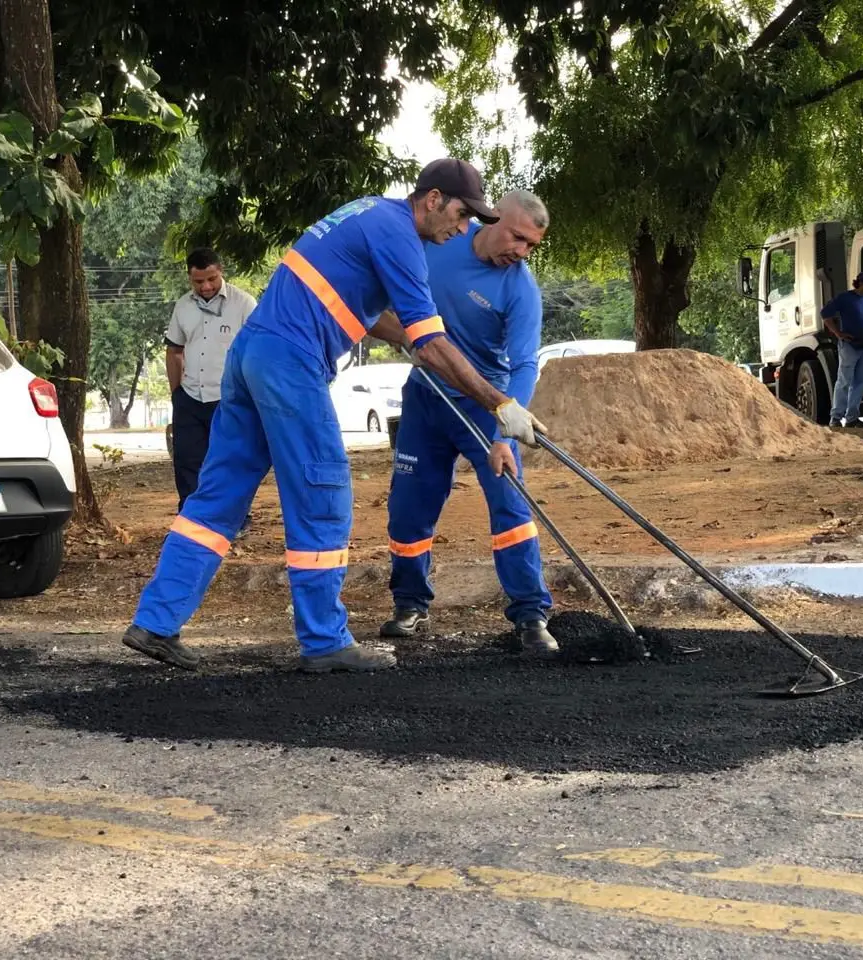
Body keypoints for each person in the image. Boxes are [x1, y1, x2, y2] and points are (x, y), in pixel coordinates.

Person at [121, 158, 546, 674]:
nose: (463, 228)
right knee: (323, 494)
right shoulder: (400, 237)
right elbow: (430, 343)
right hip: (290, 363)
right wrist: (500, 403)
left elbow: (376, 319)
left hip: (252, 354)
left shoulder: (367, 212)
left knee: (217, 496)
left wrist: (421, 343)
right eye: (460, 215)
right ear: (432, 199)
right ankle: (324, 642)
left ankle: (156, 622)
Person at [381, 190, 556, 657]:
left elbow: (522, 366)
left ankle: (530, 613)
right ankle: (410, 603)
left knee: (511, 508)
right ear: (493, 218)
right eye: (517, 237)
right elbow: (377, 307)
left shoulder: (520, 289)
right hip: (426, 397)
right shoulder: (440, 241)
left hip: (485, 406)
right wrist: (401, 334)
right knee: (408, 506)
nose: (520, 251)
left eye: (531, 246)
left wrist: (504, 431)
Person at [165, 248, 257, 512]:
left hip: (230, 398)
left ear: (221, 272)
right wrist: (177, 395)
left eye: (212, 279)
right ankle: (191, 516)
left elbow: (257, 352)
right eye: (198, 281)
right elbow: (174, 351)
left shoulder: (244, 304)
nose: (206, 286)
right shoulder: (182, 306)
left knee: (231, 459)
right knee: (187, 460)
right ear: (189, 278)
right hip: (190, 397)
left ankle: (235, 516)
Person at [821, 270, 863, 429]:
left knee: (861, 382)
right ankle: (836, 417)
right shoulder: (845, 298)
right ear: (861, 283)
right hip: (849, 345)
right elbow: (825, 314)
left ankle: (852, 417)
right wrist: (838, 333)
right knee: (844, 381)